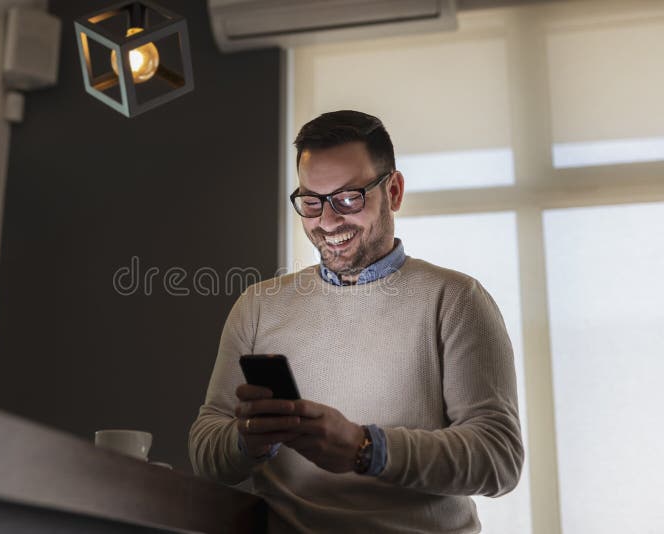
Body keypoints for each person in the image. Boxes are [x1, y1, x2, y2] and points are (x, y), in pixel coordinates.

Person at [188, 110, 523, 533]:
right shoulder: (258, 306)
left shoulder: (456, 300)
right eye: (312, 201)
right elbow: (204, 449)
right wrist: (246, 440)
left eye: (349, 198)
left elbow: (500, 458)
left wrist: (366, 449)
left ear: (394, 191)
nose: (327, 222)